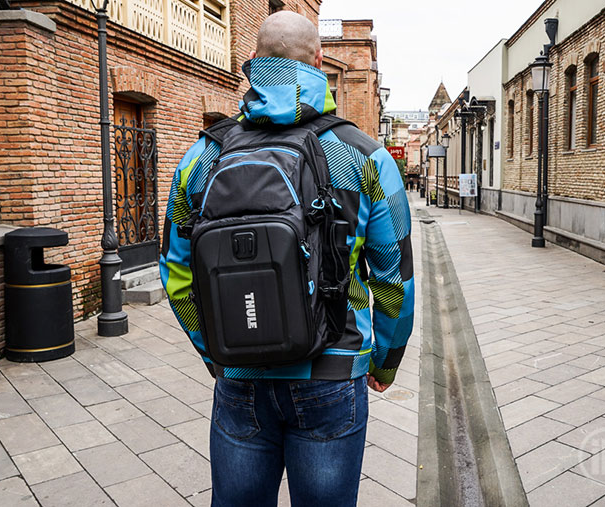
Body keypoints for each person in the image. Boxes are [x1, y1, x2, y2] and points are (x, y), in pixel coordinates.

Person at [160, 11, 414, 507]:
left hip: (240, 375)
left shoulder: (202, 157)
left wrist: (214, 351)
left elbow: (175, 271)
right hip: (333, 370)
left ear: (253, 62)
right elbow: (394, 276)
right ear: (319, 62)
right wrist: (385, 362)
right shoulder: (364, 156)